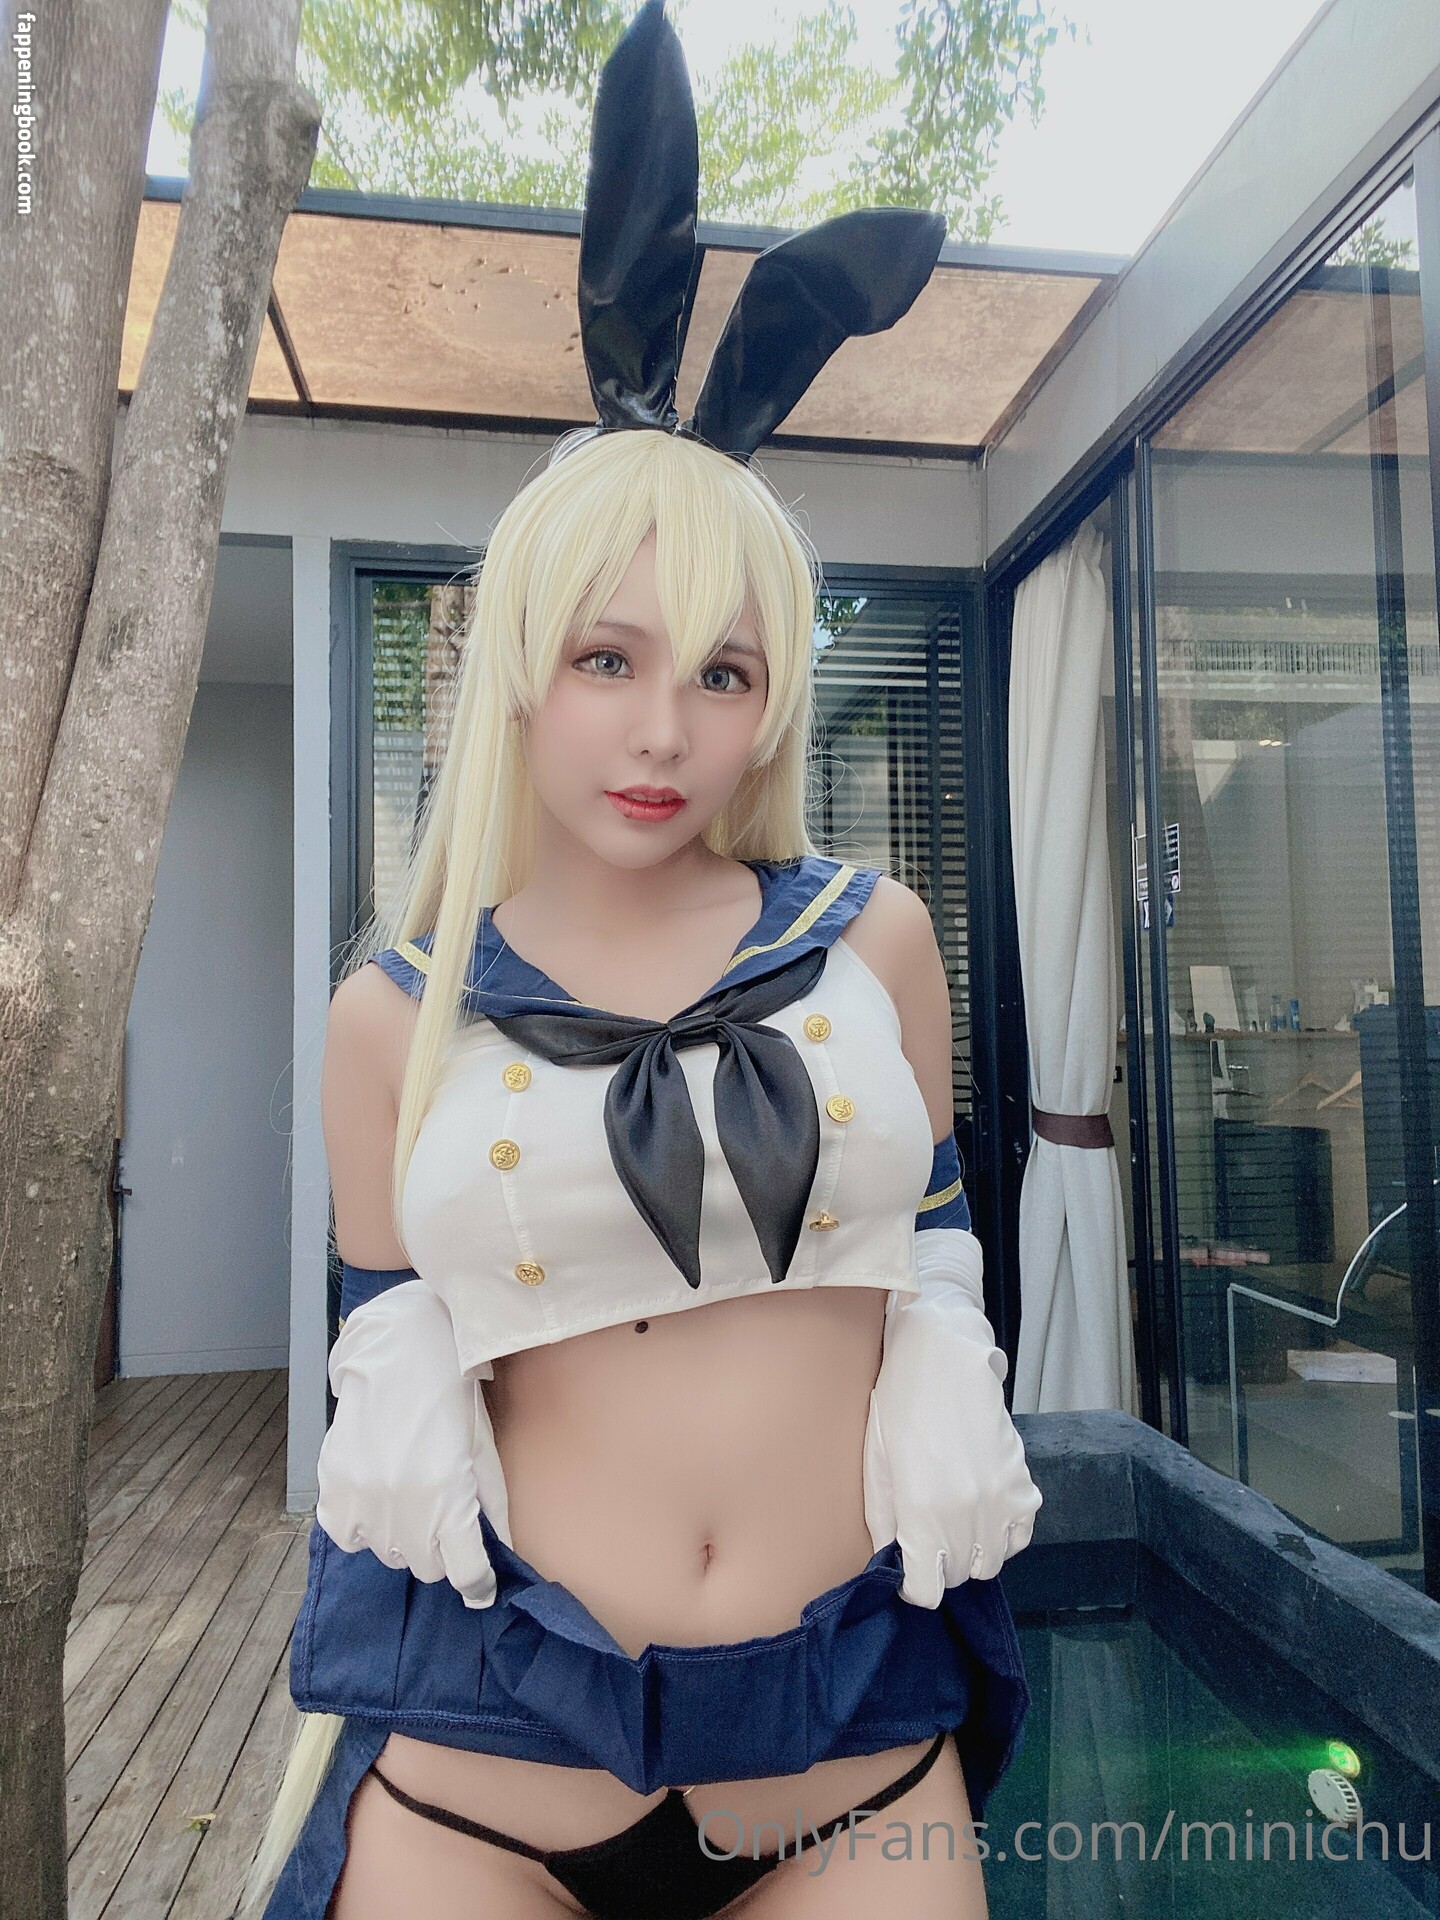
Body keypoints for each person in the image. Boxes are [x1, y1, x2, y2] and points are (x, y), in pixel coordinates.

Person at [247, 7, 1043, 1917]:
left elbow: (936, 1232)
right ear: (519, 667)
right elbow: (387, 1320)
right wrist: (388, 1385)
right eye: (608, 658)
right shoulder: (390, 1014)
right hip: (493, 1770)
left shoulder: (876, 943)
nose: (664, 730)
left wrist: (949, 1339)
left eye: (723, 672)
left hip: (848, 1751)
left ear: (772, 705)